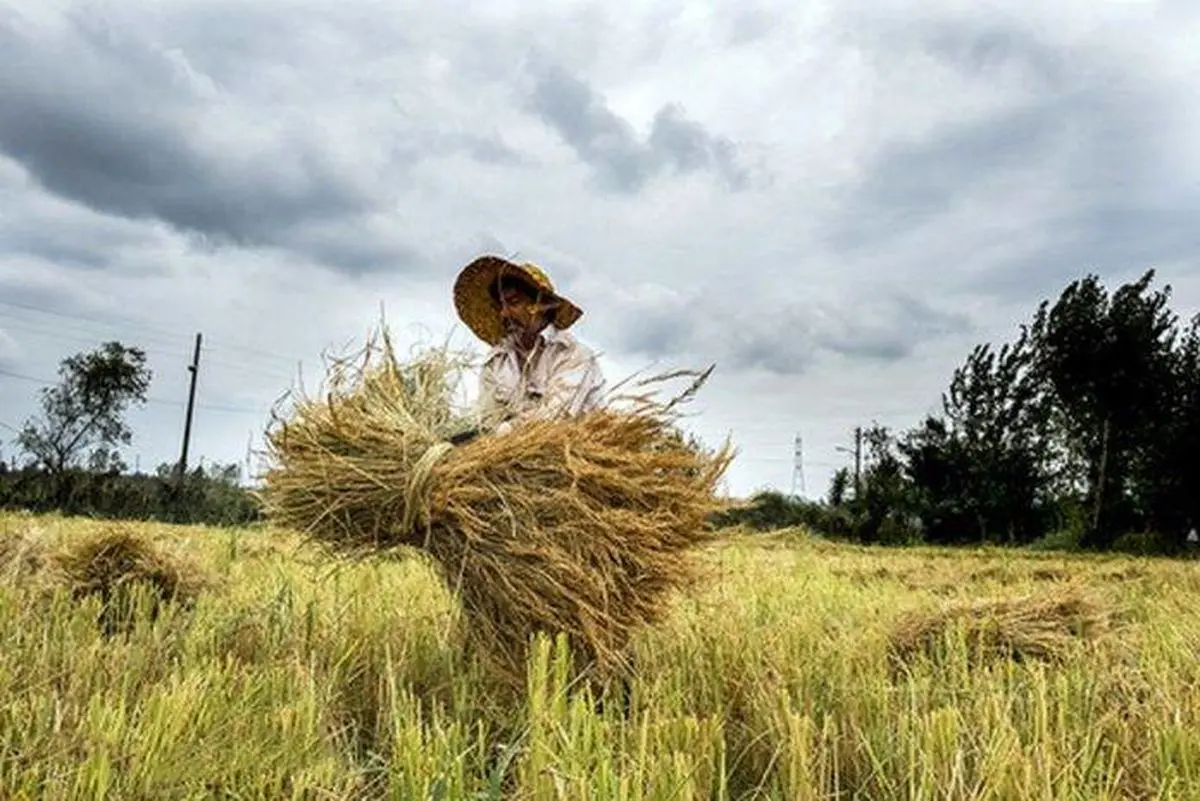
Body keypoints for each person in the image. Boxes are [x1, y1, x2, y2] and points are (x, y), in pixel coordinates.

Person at [451, 255, 605, 440]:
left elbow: (555, 418)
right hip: (510, 456)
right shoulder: (497, 362)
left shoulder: (574, 356)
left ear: (542, 305)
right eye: (501, 306)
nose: (505, 313)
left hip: (574, 455)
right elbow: (488, 422)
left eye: (514, 303)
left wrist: (502, 432)